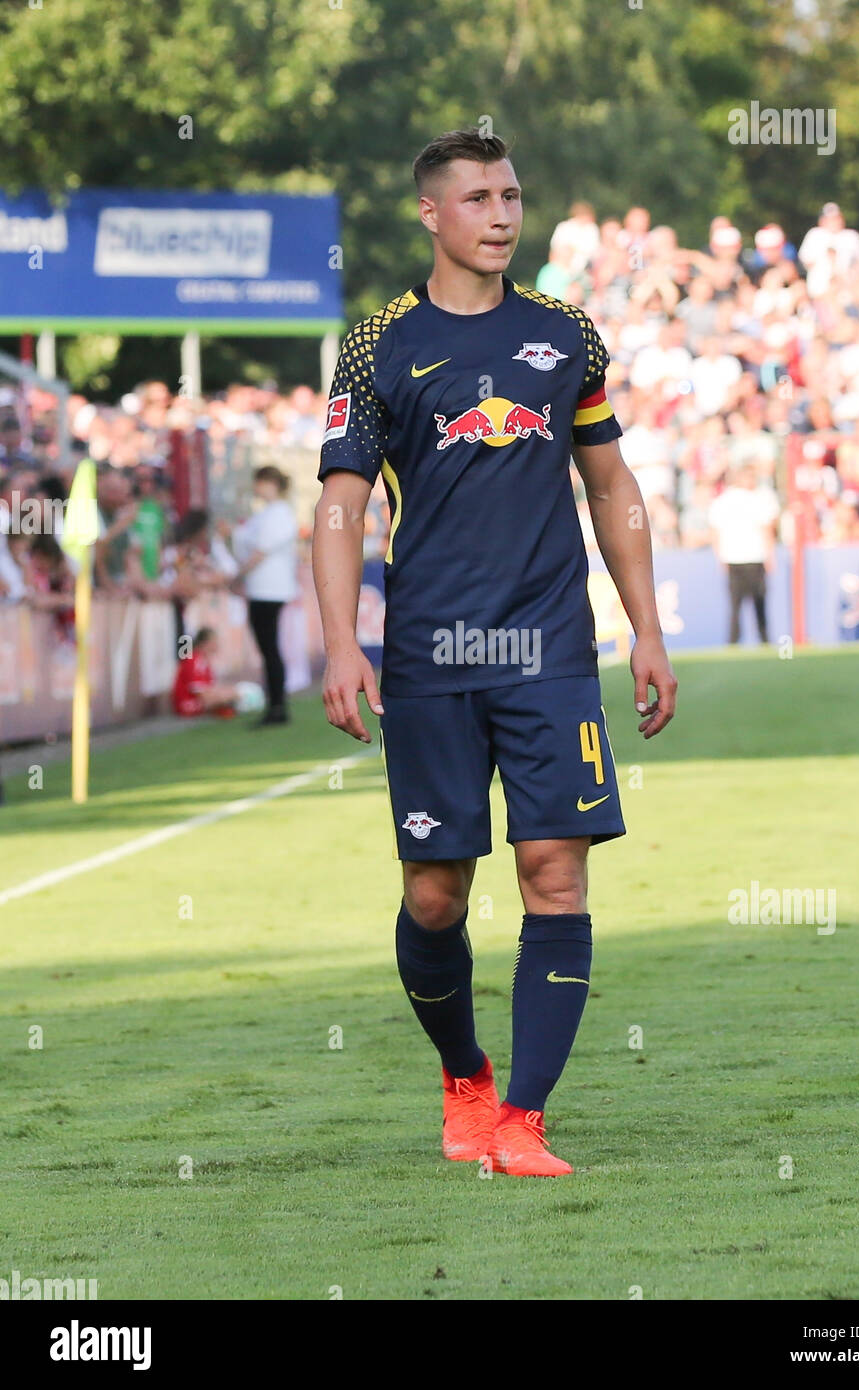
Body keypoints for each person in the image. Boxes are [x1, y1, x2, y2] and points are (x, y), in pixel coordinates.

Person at [313, 128, 677, 1178]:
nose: (502, 213)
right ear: (432, 213)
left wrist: (646, 624)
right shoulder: (377, 346)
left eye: (512, 193)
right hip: (429, 655)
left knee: (552, 874)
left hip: (551, 649)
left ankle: (523, 1118)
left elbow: (612, 486)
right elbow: (339, 509)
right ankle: (464, 1074)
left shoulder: (567, 336)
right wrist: (343, 644)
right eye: (477, 197)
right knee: (437, 891)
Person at [233, 465, 298, 726]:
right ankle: (276, 704)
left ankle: (277, 706)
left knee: (269, 647)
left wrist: (237, 575)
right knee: (268, 647)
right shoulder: (268, 514)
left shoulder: (279, 513)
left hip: (269, 588)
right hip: (262, 587)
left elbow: (260, 551)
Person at [708, 463, 780, 644]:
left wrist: (719, 557)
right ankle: (762, 640)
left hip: (736, 557)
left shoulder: (722, 500)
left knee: (737, 605)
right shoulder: (757, 500)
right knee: (756, 604)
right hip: (753, 556)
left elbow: (714, 532)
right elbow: (767, 530)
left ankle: (734, 641)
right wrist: (770, 556)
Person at [171, 627, 238, 718]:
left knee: (231, 693)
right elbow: (202, 694)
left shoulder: (204, 660)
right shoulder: (194, 660)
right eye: (214, 641)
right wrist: (224, 696)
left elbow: (210, 687)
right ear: (205, 643)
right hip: (187, 705)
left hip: (199, 702)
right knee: (228, 696)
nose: (217, 645)